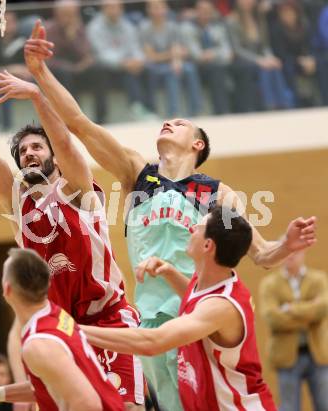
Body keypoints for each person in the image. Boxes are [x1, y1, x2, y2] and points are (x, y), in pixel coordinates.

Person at [22, 19, 316, 411]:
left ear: (197, 143)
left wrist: (286, 244)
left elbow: (260, 255)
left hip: (194, 316)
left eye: (179, 123)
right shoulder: (136, 173)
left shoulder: (216, 193)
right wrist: (41, 73)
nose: (168, 122)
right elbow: (79, 124)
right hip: (144, 318)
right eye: (167, 120)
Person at [0, 59, 144, 409]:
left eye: (36, 147)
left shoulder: (77, 189)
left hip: (107, 318)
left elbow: (65, 140)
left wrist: (36, 95)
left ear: (54, 159)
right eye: (22, 152)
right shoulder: (19, 206)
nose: (28, 154)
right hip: (61, 325)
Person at [82, 207, 276, 411]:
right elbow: (195, 300)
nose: (191, 228)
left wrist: (74, 330)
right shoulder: (212, 282)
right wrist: (169, 272)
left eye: (198, 228)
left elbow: (153, 342)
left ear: (207, 245)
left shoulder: (221, 306)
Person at [0, 248, 124, 411]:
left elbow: (88, 405)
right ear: (47, 283)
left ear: (7, 289)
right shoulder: (55, 315)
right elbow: (47, 385)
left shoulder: (38, 343)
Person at [259, 250, 328, 411]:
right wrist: (309, 313)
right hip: (286, 356)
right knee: (289, 407)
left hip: (318, 354)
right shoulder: (269, 284)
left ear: (303, 253)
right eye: (286, 251)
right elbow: (272, 318)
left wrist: (289, 309)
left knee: (325, 404)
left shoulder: (318, 279)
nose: (290, 256)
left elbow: (323, 308)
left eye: (294, 252)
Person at [87, 0, 153, 122]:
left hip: (126, 66)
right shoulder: (95, 27)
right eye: (111, 8)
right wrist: (123, 62)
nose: (115, 11)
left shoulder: (127, 26)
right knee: (98, 70)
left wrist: (138, 60)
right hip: (106, 67)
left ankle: (147, 109)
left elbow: (135, 47)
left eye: (118, 8)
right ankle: (101, 117)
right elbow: (101, 53)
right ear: (104, 9)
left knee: (148, 68)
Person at [45, 0, 105, 124]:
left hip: (79, 69)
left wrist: (73, 38)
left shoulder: (79, 28)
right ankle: (74, 118)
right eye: (66, 14)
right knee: (65, 74)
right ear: (57, 14)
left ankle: (101, 117)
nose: (70, 18)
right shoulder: (49, 29)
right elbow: (50, 59)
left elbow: (86, 53)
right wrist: (71, 67)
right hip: (61, 72)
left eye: (73, 14)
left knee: (98, 69)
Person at [227, 0, 293, 111]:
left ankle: (283, 104)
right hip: (242, 60)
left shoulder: (259, 18)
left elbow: (265, 45)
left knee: (274, 66)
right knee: (264, 68)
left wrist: (270, 57)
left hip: (260, 57)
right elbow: (237, 49)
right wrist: (259, 60)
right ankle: (269, 105)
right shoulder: (232, 21)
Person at [140, 0, 202, 118]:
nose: (158, 11)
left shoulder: (172, 26)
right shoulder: (145, 28)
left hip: (172, 62)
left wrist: (176, 60)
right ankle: (174, 113)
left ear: (166, 9)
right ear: (148, 10)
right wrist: (172, 55)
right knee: (171, 71)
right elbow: (151, 56)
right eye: (154, 8)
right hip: (154, 66)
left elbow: (182, 50)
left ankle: (196, 110)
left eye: (160, 7)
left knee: (190, 69)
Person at [180, 0, 232, 115]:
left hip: (216, 63)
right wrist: (213, 54)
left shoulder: (218, 27)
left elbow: (227, 51)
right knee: (216, 70)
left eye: (208, 11)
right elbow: (196, 54)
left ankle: (235, 110)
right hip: (196, 66)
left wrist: (212, 53)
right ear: (196, 11)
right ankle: (221, 111)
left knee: (229, 68)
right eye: (201, 10)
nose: (205, 13)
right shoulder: (187, 28)